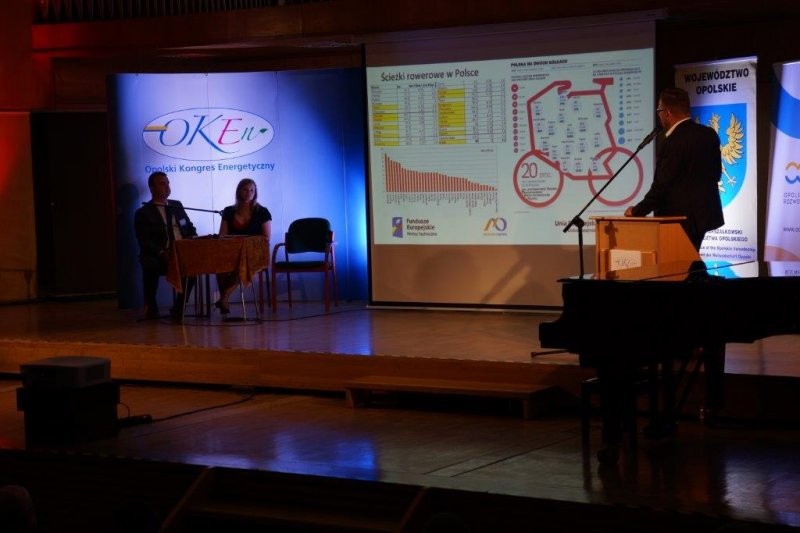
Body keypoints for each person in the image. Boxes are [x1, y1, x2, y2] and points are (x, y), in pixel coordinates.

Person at [624, 87, 724, 251]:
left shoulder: (672, 142)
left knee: (679, 264)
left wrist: (636, 211)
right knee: (690, 261)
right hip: (704, 216)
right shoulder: (709, 134)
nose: (659, 115)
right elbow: (716, 174)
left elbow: (662, 186)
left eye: (659, 111)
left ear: (667, 113)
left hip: (677, 220)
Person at [134, 171, 197, 320]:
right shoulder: (143, 212)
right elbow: (145, 241)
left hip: (181, 252)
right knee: (151, 266)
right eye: (162, 184)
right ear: (152, 188)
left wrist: (193, 240)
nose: (167, 187)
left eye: (168, 183)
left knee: (193, 268)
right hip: (158, 255)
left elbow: (189, 227)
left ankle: (179, 308)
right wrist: (162, 252)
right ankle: (151, 307)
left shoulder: (176, 205)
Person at [214, 178, 272, 314]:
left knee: (241, 262)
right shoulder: (229, 211)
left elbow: (266, 238)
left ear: (255, 193)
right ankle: (224, 300)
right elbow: (222, 235)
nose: (249, 193)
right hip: (233, 250)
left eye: (252, 190)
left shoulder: (262, 211)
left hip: (254, 252)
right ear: (239, 191)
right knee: (219, 262)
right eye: (245, 190)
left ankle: (224, 297)